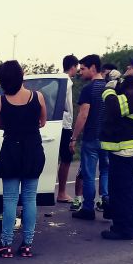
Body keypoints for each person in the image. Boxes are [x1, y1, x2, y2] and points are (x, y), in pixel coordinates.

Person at [0, 59, 47, 257]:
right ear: (21, 75)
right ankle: (27, 245)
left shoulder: (0, 101)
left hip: (11, 151)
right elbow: (43, 122)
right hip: (33, 150)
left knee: (10, 200)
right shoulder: (38, 97)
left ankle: (6, 244)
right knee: (30, 198)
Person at [99, 57, 133, 240]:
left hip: (126, 150)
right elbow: (124, 90)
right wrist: (117, 80)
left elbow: (114, 108)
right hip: (130, 148)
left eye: (132, 67)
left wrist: (108, 89)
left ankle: (123, 229)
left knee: (121, 191)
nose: (128, 67)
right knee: (128, 188)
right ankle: (132, 225)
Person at [68, 54, 109, 221]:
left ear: (93, 68)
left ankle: (88, 208)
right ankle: (106, 202)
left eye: (83, 69)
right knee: (105, 171)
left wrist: (74, 138)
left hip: (91, 137)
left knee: (89, 174)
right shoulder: (109, 88)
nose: (80, 72)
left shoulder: (88, 89)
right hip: (107, 138)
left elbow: (83, 115)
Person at [56, 55, 78, 203]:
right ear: (73, 66)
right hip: (64, 126)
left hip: (59, 124)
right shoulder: (67, 82)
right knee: (66, 159)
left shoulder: (59, 79)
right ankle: (62, 193)